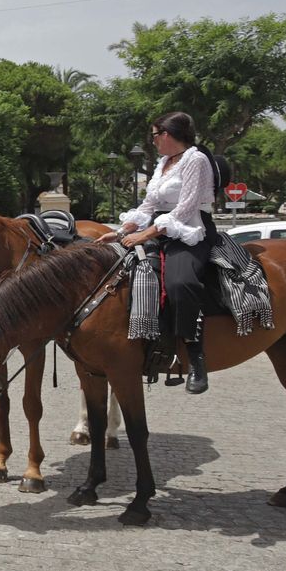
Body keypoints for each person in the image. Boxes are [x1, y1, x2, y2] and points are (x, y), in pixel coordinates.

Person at [97, 111, 216, 394]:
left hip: (190, 231)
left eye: (154, 135)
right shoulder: (164, 163)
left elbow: (185, 209)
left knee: (180, 283)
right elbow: (149, 206)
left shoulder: (196, 159)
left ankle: (195, 356)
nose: (152, 142)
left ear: (165, 134)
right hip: (158, 229)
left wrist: (146, 233)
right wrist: (122, 231)